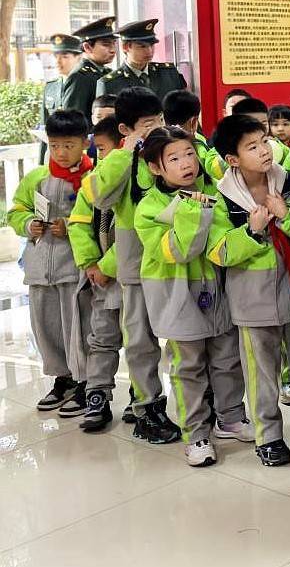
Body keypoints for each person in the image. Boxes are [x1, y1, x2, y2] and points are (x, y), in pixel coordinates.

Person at [134, 126, 248, 467]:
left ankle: (231, 418)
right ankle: (196, 434)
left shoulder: (212, 192)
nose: (186, 163)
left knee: (228, 359)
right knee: (188, 368)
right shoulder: (148, 208)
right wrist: (193, 210)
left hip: (216, 291)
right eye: (174, 158)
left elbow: (222, 243)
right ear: (155, 168)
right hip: (176, 298)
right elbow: (180, 250)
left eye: (189, 154)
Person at [90, 87, 181, 444]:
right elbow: (101, 197)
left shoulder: (170, 147)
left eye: (159, 120)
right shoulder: (120, 159)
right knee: (140, 339)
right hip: (135, 265)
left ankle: (196, 403)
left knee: (183, 337)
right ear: (125, 129)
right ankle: (146, 407)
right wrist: (124, 153)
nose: (156, 128)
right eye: (147, 124)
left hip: (176, 260)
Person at [208, 114, 290, 467]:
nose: (264, 150)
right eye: (252, 146)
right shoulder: (223, 198)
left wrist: (285, 215)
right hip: (251, 298)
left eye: (264, 141)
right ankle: (269, 436)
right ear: (232, 159)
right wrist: (251, 231)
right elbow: (218, 252)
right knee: (261, 374)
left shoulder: (288, 179)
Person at [11, 109, 92, 415]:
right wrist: (27, 223)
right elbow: (16, 210)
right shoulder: (37, 177)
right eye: (55, 145)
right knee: (46, 326)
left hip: (74, 269)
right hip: (39, 269)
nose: (61, 152)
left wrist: (69, 226)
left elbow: (101, 219)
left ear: (84, 143)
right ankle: (63, 378)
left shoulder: (92, 178)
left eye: (69, 145)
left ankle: (86, 381)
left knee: (79, 327)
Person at [68, 114, 122, 432]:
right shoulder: (93, 183)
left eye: (102, 148)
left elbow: (133, 233)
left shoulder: (139, 179)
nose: (98, 155)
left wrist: (108, 265)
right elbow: (78, 224)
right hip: (102, 280)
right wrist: (91, 263)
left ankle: (143, 402)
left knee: (142, 345)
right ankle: (97, 396)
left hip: (134, 276)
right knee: (102, 339)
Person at [96, 19, 187, 100]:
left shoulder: (168, 73)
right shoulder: (110, 84)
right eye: (142, 46)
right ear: (125, 47)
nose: (149, 51)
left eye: (152, 45)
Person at [62, 16, 118, 120]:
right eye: (106, 45)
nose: (113, 50)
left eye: (114, 44)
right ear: (87, 47)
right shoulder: (80, 77)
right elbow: (73, 120)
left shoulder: (108, 72)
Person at [42, 33, 83, 128]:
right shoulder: (50, 87)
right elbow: (44, 123)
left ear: (78, 58)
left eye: (65, 56)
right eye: (56, 56)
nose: (58, 61)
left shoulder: (86, 83)